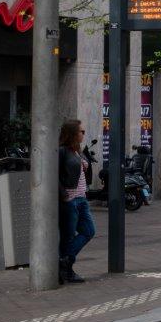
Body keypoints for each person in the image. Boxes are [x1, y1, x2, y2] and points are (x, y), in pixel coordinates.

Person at [57, 119, 96, 283]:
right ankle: (66, 270)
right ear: (73, 133)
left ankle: (63, 263)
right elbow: (54, 175)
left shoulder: (76, 151)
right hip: (70, 200)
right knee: (68, 237)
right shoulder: (62, 151)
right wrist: (64, 194)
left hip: (81, 199)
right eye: (82, 132)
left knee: (89, 231)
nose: (84, 135)